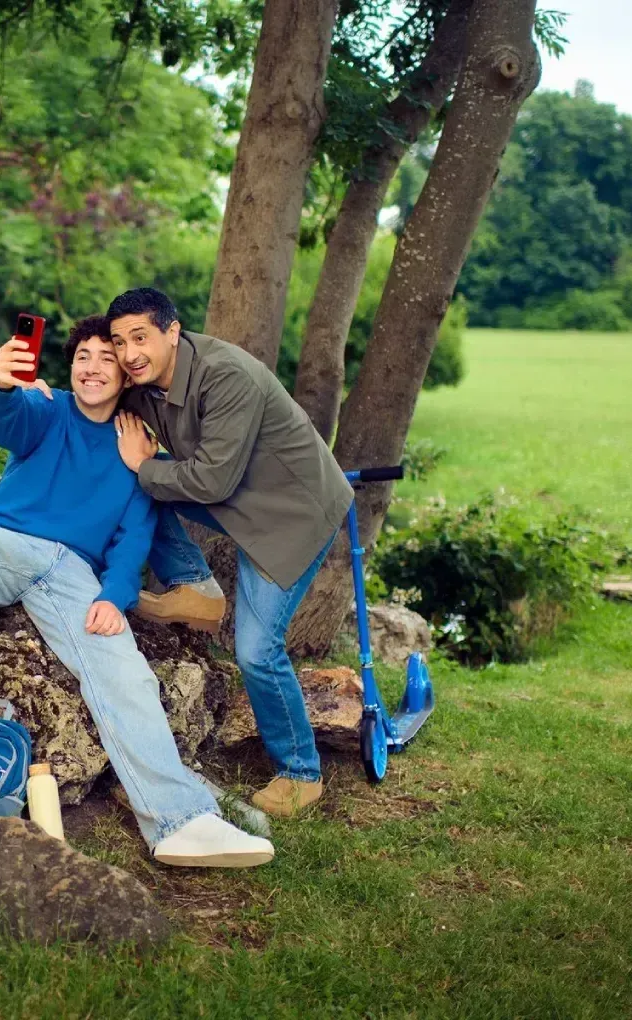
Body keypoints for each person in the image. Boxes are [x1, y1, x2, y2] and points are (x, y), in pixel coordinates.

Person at [0, 315, 274, 868]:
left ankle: (179, 821)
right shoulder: (46, 406)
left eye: (107, 358)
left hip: (70, 572)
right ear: (70, 367)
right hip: (3, 546)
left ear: (125, 376)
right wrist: (4, 384)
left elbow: (133, 541)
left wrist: (115, 595)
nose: (93, 367)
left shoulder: (136, 447)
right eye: (83, 357)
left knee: (122, 667)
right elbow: (9, 424)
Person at [108, 288, 355, 818]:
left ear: (172, 331)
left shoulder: (226, 375)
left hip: (292, 513)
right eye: (119, 342)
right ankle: (196, 588)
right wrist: (32, 396)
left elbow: (213, 480)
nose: (129, 353)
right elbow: (92, 399)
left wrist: (144, 466)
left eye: (141, 337)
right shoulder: (145, 379)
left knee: (256, 651)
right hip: (234, 499)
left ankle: (301, 774)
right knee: (134, 478)